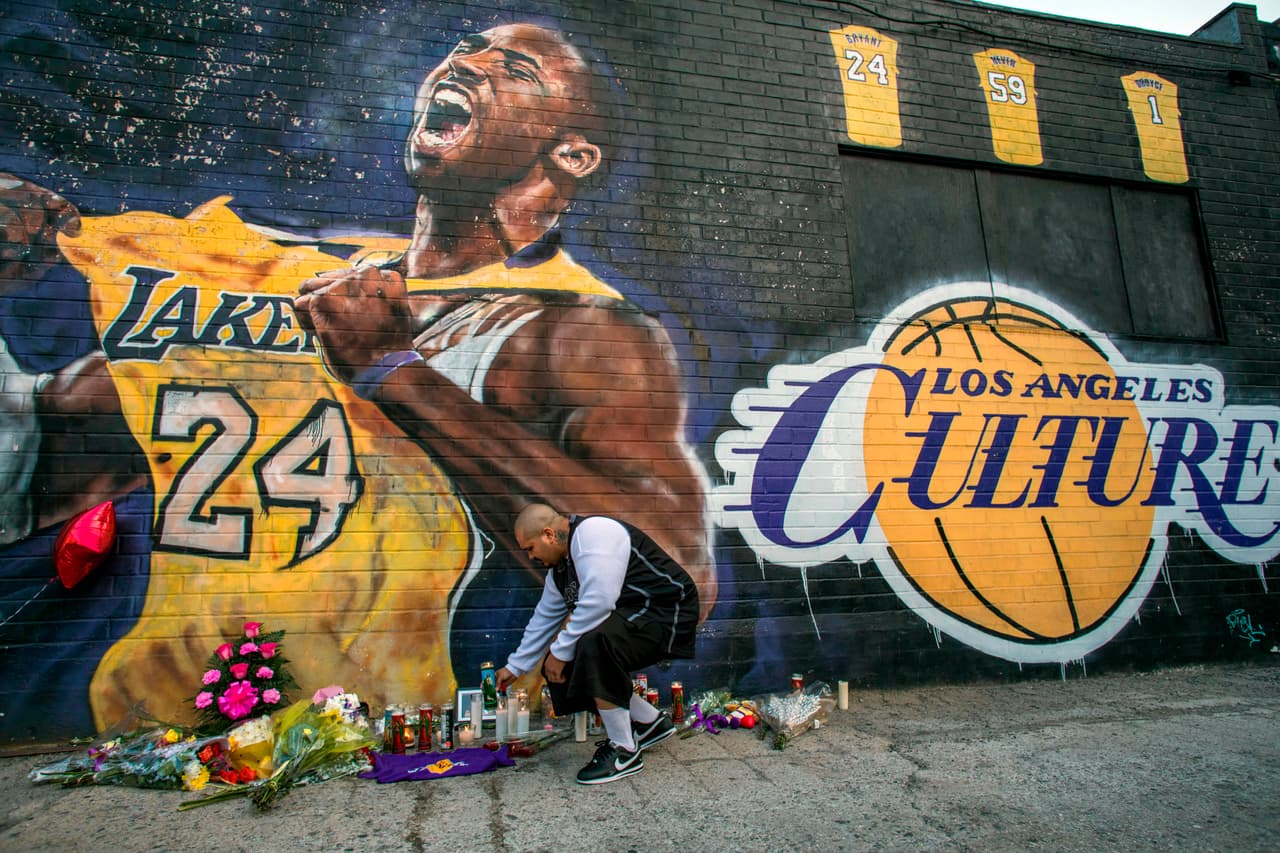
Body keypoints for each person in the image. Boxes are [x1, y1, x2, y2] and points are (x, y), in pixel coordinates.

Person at [0, 23, 714, 730]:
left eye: (517, 68)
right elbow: (58, 438)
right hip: (160, 715)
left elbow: (675, 576)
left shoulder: (578, 330)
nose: (467, 62)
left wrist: (394, 373)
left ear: (573, 154)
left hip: (392, 718)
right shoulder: (297, 272)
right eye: (467, 47)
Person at [495, 503, 698, 785]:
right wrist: (515, 666)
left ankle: (624, 751)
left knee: (592, 643)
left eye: (530, 548)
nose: (530, 557)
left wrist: (560, 652)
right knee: (572, 657)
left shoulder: (593, 533)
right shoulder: (561, 571)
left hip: (666, 609)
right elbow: (544, 617)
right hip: (635, 614)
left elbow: (600, 602)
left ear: (549, 535)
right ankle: (650, 722)